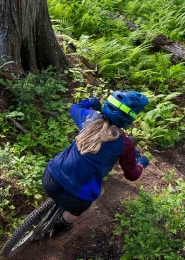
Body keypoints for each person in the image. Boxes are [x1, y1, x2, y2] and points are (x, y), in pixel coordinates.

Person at [42, 91, 150, 236]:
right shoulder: (125, 144)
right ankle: (60, 227)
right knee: (76, 210)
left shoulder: (89, 118)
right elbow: (132, 175)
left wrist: (90, 101)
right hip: (76, 197)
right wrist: (141, 163)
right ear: (129, 120)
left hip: (50, 177)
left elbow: (74, 108)